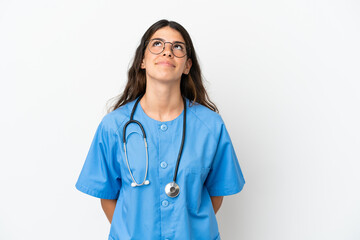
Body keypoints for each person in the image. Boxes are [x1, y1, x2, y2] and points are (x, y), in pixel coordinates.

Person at [75, 19, 245, 240]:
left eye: (177, 47)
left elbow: (216, 193)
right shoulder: (114, 126)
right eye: (157, 44)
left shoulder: (210, 126)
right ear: (142, 61)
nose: (167, 52)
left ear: (187, 66)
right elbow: (107, 195)